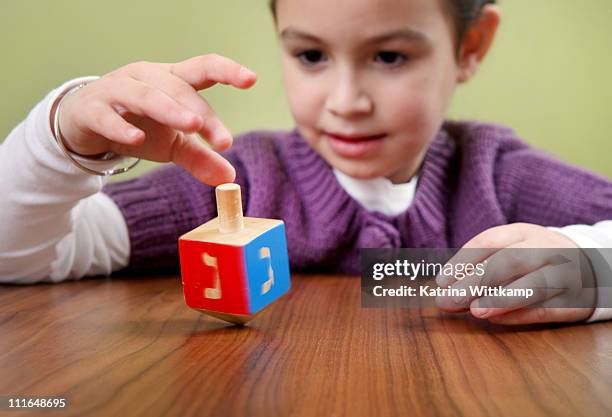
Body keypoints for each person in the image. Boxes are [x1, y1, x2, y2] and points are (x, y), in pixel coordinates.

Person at [1, 0, 611, 325]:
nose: (346, 102)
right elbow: (19, 257)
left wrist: (586, 271)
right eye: (313, 55)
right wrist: (64, 138)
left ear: (469, 46)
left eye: (391, 56)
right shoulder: (237, 184)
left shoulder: (497, 173)